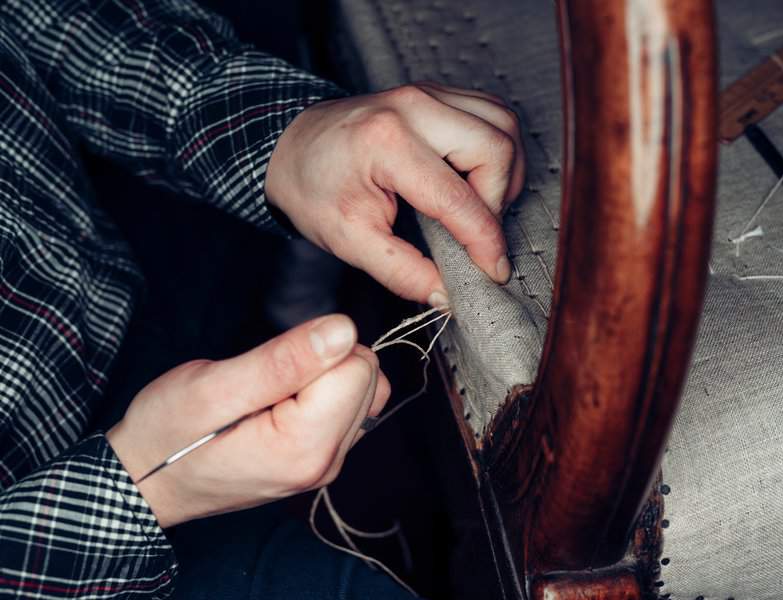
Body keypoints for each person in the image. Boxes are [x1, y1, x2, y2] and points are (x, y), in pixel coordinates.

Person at [0, 0, 525, 597]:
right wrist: (138, 494)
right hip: (67, 536)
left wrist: (288, 136)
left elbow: (43, 24)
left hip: (107, 254)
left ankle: (292, 288)